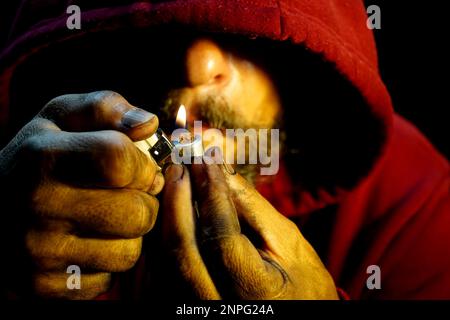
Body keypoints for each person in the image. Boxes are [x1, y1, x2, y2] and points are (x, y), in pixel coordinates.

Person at [0, 0, 448, 300]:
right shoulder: (28, 168)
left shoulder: (410, 196)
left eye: (246, 33)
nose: (198, 66)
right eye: (162, 29)